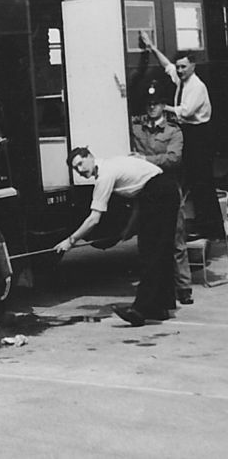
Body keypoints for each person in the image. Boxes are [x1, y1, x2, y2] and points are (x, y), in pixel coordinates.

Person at [54, 147, 178, 327]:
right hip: (162, 190)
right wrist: (129, 228)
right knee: (157, 250)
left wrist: (70, 240)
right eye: (75, 168)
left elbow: (94, 219)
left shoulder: (105, 175)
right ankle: (160, 307)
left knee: (152, 253)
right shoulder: (111, 164)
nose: (80, 170)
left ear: (91, 156)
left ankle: (140, 310)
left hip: (160, 193)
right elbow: (139, 194)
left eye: (81, 163)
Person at [141, 31, 225, 240]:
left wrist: (162, 107)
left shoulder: (197, 86)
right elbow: (167, 66)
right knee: (193, 180)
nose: (179, 70)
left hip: (199, 136)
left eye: (183, 67)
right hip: (188, 133)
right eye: (179, 67)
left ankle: (211, 229)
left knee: (202, 181)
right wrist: (152, 47)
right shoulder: (182, 81)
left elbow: (185, 111)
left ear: (193, 66)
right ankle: (202, 224)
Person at [130, 82, 193, 305]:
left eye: (155, 104)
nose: (152, 108)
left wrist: (145, 160)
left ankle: (183, 287)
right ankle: (153, 286)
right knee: (148, 239)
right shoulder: (138, 127)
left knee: (175, 238)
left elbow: (174, 159)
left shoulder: (173, 131)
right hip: (146, 188)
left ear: (163, 106)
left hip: (168, 185)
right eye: (148, 104)